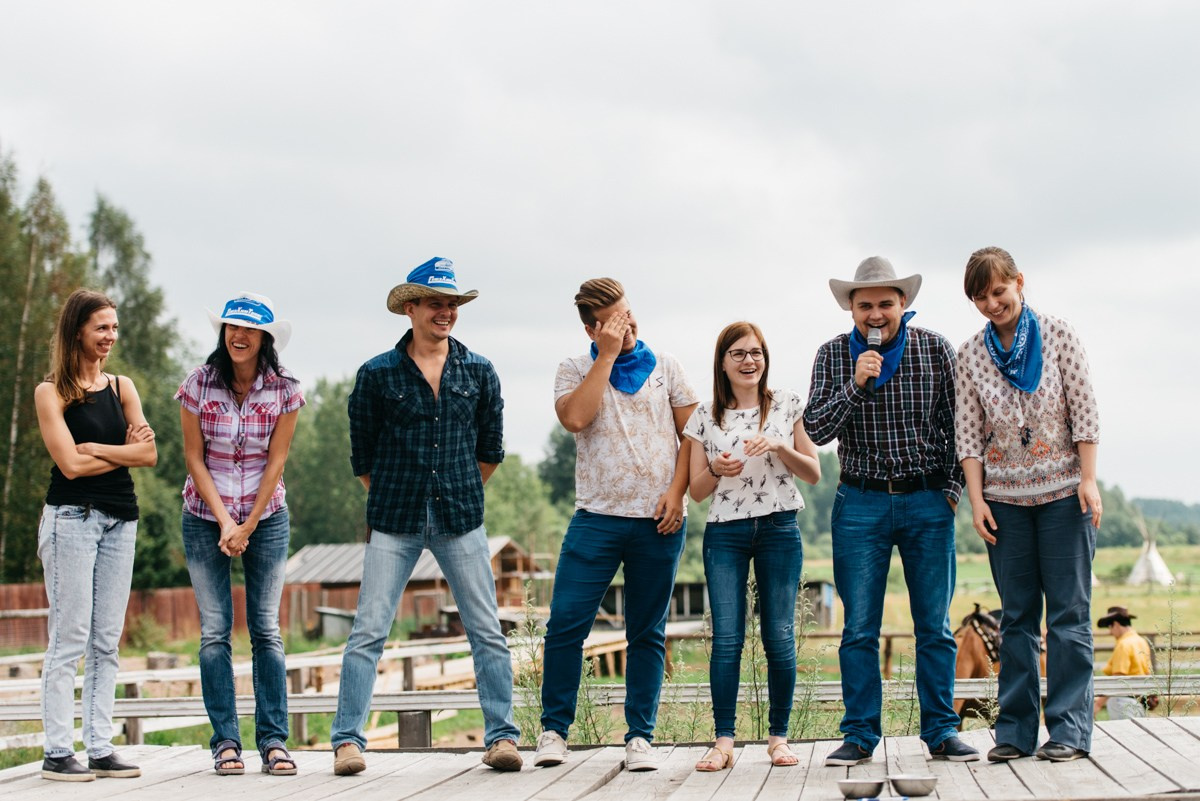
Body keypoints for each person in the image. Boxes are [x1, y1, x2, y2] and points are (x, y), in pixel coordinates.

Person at [331, 258, 521, 775]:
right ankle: (348, 742)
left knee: (485, 628)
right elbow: (362, 456)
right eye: (436, 303)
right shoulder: (376, 374)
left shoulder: (479, 370)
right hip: (394, 519)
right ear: (410, 308)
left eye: (453, 304)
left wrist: (450, 488)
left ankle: (502, 737)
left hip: (461, 517)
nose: (446, 312)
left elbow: (491, 450)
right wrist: (403, 491)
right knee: (369, 630)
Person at [804, 257, 977, 766]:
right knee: (859, 627)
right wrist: (856, 384)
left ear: (903, 303)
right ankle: (859, 734)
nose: (875, 314)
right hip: (860, 501)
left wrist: (948, 492)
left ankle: (941, 730)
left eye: (885, 303)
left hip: (927, 500)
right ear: (851, 309)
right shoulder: (834, 355)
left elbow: (958, 427)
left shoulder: (935, 349)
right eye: (865, 306)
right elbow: (814, 430)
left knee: (935, 626)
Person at [533, 278, 697, 772]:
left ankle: (639, 738)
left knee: (646, 631)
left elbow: (692, 437)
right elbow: (576, 419)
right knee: (565, 625)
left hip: (659, 521)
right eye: (616, 319)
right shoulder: (574, 368)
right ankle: (553, 731)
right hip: (597, 519)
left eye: (629, 312)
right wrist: (604, 356)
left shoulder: (667, 367)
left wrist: (677, 492)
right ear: (592, 327)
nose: (630, 324)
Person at [955, 246, 1101, 763]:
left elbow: (1084, 410)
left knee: (1068, 616)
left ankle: (1068, 730)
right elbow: (968, 436)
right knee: (1016, 618)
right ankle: (1014, 731)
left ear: (1019, 281)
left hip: (1064, 496)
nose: (992, 304)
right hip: (1005, 503)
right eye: (980, 297)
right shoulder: (970, 354)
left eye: (999, 291)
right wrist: (976, 501)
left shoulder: (1059, 335)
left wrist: (1089, 480)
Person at [176, 292, 304, 776]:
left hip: (266, 518)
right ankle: (225, 741)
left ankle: (273, 741)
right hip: (204, 516)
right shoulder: (197, 384)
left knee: (266, 631)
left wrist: (248, 523)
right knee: (214, 634)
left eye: (248, 329)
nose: (238, 335)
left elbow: (278, 460)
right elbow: (194, 459)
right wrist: (226, 522)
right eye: (231, 327)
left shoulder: (286, 389)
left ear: (265, 338)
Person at [685, 322, 821, 772]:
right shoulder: (704, 416)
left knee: (778, 636)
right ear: (722, 362)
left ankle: (778, 738)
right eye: (739, 353)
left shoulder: (786, 405)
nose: (749, 361)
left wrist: (780, 444)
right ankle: (723, 740)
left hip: (780, 527)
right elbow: (696, 492)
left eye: (757, 352)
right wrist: (718, 470)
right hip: (725, 532)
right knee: (727, 638)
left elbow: (813, 472)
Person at [33, 289, 157, 781]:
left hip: (120, 521)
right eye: (102, 327)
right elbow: (69, 464)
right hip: (71, 521)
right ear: (77, 330)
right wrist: (120, 450)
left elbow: (148, 455)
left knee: (107, 641)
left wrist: (99, 449)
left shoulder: (123, 386)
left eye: (115, 328)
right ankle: (58, 751)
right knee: (70, 638)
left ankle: (100, 747)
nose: (111, 337)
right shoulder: (52, 392)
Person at [1095, 606, 1154, 720]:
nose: (1110, 632)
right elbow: (1148, 672)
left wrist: (1098, 703)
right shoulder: (1141, 641)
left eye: (1110, 627)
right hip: (1139, 700)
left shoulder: (1123, 645)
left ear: (1116, 624)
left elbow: (1118, 678)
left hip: (1122, 700)